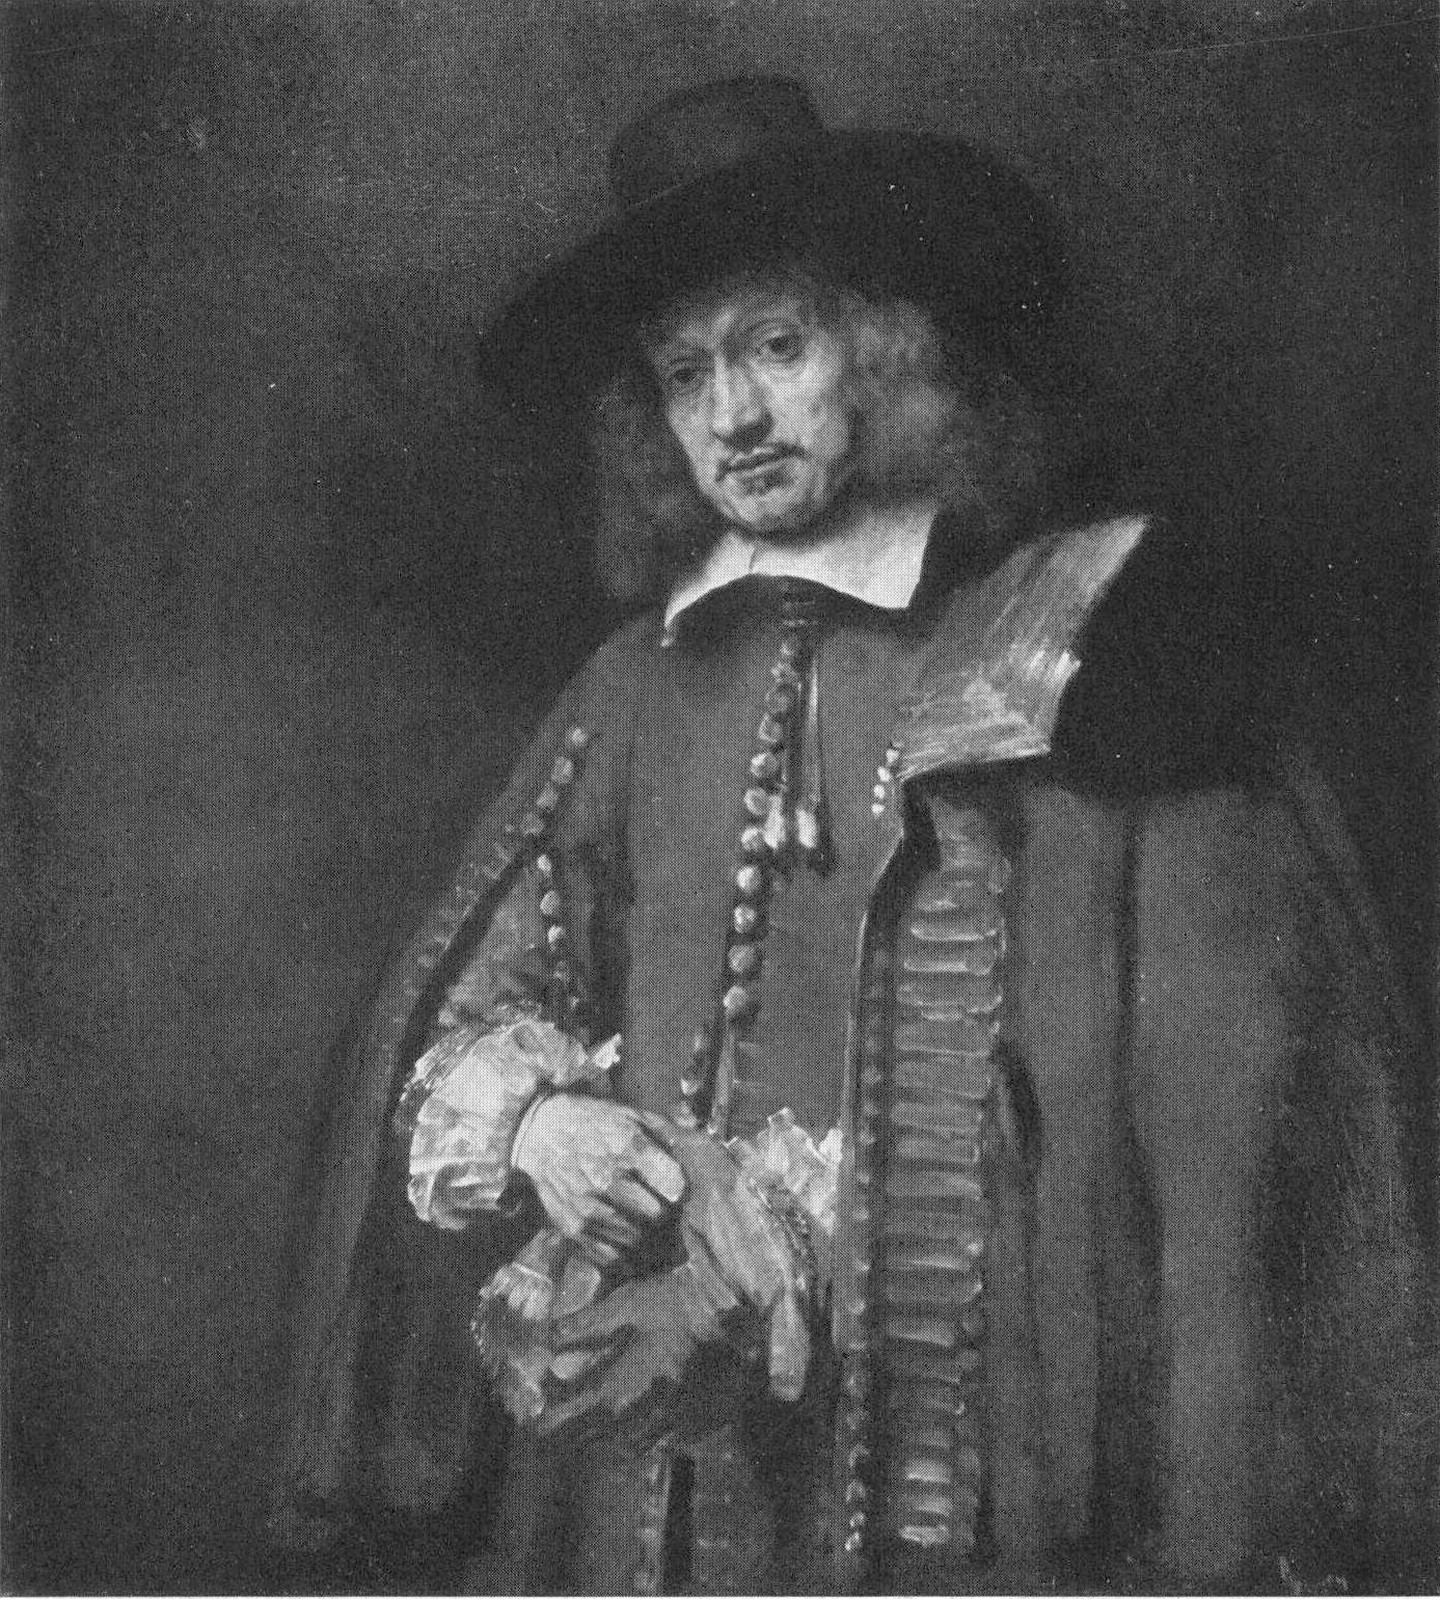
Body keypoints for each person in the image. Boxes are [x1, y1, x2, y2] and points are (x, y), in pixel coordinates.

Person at [272, 78, 1428, 1594]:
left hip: (949, 1465)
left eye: (776, 347)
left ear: (887, 349)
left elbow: (1155, 1155)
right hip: (643, 1497)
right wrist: (547, 1129)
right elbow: (480, 1000)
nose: (733, 417)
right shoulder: (633, 690)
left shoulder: (1079, 657)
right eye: (686, 374)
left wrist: (785, 1247)